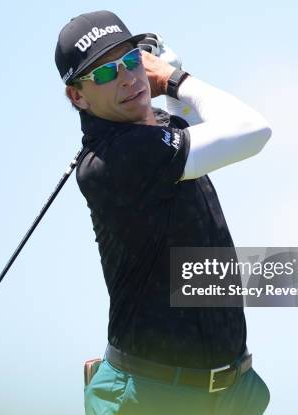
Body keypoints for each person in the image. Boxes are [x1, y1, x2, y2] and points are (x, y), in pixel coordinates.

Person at [55, 10, 272, 415]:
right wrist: (176, 80)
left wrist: (169, 87)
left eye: (132, 61)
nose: (127, 78)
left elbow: (192, 128)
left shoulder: (154, 133)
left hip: (230, 394)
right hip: (150, 397)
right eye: (104, 74)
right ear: (77, 96)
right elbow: (252, 130)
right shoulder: (115, 158)